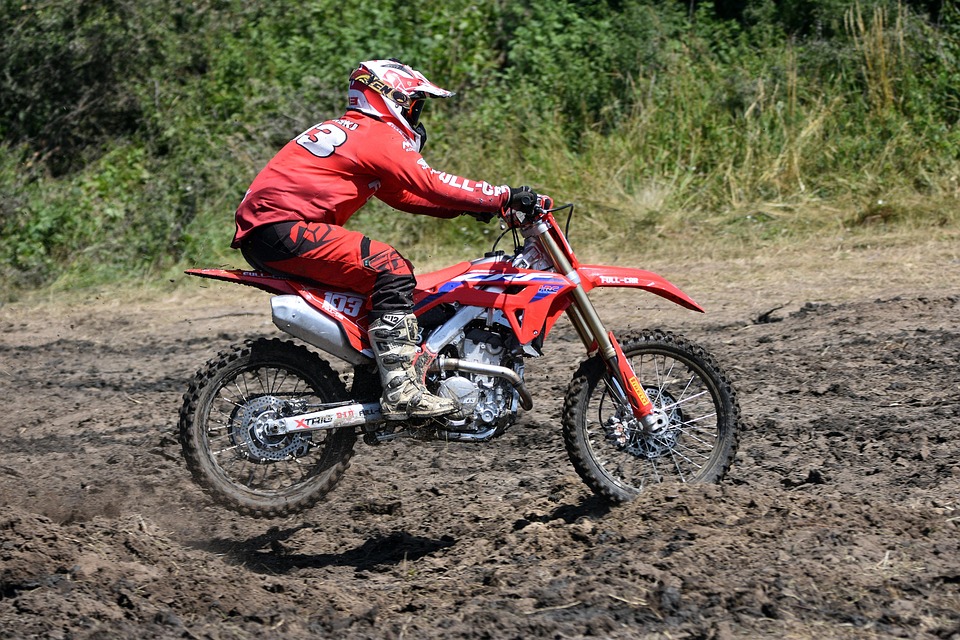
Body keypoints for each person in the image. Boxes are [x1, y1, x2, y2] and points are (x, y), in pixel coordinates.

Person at [232, 58, 546, 421]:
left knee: (376, 290)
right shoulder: (375, 133)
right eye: (414, 104)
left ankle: (375, 379)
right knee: (390, 267)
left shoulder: (354, 131)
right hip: (285, 228)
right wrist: (502, 195)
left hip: (273, 230)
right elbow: (431, 183)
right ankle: (402, 390)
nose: (416, 115)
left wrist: (473, 208)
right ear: (389, 96)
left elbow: (407, 196)